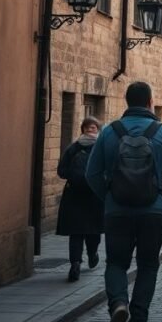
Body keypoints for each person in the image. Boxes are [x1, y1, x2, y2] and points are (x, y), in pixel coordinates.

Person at [86, 81, 162, 322]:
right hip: (153, 211)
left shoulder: (109, 132)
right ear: (151, 102)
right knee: (148, 265)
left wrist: (108, 196)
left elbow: (91, 173)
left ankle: (118, 303)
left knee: (116, 262)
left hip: (117, 210)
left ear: (127, 102)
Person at [56, 116, 104, 282]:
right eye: (89, 128)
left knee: (76, 233)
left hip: (74, 195)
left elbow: (61, 171)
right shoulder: (101, 147)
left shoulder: (73, 148)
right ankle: (92, 254)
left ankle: (75, 264)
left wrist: (75, 177)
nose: (91, 131)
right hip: (95, 195)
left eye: (92, 128)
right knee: (94, 230)